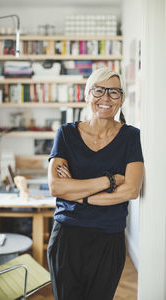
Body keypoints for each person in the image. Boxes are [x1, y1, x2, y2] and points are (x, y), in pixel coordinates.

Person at [47, 67, 144, 300]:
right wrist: (109, 181)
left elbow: (130, 189)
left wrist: (80, 194)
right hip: (67, 237)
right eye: (99, 90)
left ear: (121, 99)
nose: (106, 98)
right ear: (87, 94)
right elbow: (56, 187)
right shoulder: (66, 134)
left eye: (114, 92)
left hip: (109, 238)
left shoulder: (131, 137)